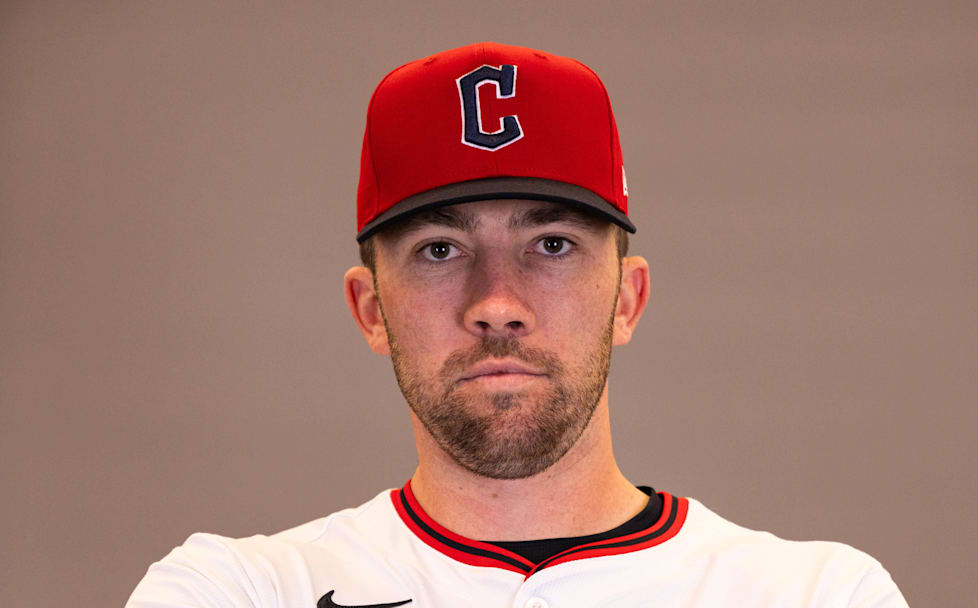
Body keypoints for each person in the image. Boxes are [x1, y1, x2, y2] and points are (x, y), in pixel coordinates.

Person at [128, 41, 908, 607]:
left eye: (552, 245)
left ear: (628, 298)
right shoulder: (240, 590)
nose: (496, 300)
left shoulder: (816, 594)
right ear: (371, 309)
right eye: (440, 248)